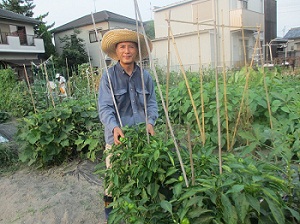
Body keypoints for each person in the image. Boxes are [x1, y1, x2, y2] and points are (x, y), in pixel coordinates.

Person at [98, 29, 158, 222]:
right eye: (122, 47)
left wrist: (150, 122)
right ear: (117, 52)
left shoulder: (145, 77)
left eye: (131, 46)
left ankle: (141, 212)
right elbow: (105, 107)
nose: (127, 51)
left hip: (142, 138)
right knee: (112, 182)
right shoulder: (108, 77)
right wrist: (115, 127)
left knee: (141, 176)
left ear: (136, 51)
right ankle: (111, 216)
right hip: (117, 139)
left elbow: (152, 103)